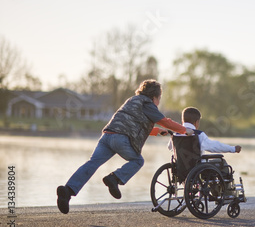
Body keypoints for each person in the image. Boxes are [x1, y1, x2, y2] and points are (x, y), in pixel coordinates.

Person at [56, 79, 194, 214]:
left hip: (107, 136)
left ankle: (67, 191)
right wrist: (184, 130)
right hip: (121, 138)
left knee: (92, 164)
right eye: (159, 98)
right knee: (138, 161)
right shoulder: (148, 103)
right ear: (154, 97)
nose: (159, 102)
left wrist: (157, 131)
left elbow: (133, 124)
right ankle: (114, 178)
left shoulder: (132, 100)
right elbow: (165, 121)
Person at [170, 106, 241, 154]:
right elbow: (214, 146)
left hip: (180, 168)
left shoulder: (175, 134)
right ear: (197, 122)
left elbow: (170, 147)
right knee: (222, 163)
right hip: (197, 167)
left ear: (182, 121)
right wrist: (232, 149)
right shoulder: (199, 135)